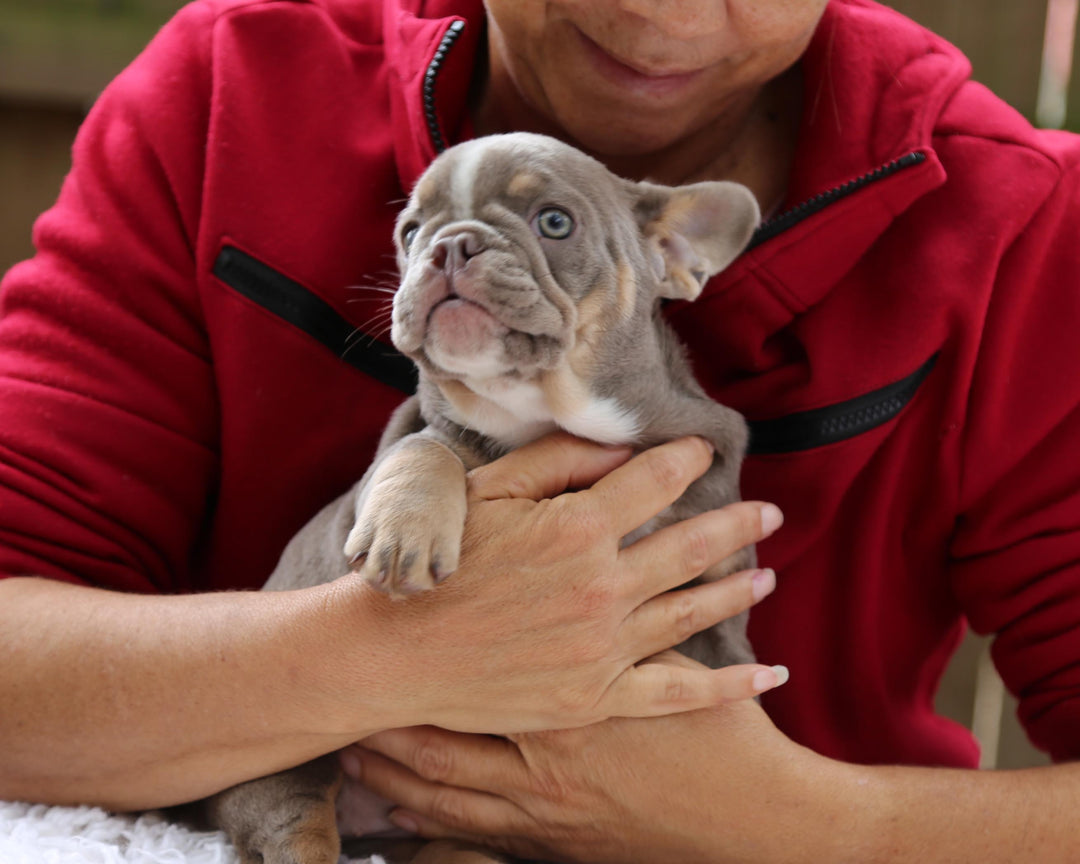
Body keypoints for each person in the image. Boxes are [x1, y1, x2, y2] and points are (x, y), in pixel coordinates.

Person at [0, 0, 1078, 860]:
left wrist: (808, 826)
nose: (662, 15)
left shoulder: (1020, 226)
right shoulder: (235, 93)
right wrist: (382, 655)